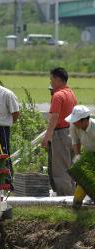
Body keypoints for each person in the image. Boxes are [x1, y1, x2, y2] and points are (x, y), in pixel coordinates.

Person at [41, 67, 77, 196]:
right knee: (71, 166)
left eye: (51, 79)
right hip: (71, 132)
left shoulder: (58, 95)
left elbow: (54, 117)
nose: (50, 82)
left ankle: (65, 199)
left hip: (60, 134)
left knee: (60, 169)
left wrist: (47, 137)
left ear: (57, 79)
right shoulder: (71, 93)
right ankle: (74, 195)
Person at [65, 105, 95, 207]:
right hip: (87, 156)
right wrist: (78, 155)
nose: (74, 123)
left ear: (84, 120)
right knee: (82, 183)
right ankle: (77, 205)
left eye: (76, 121)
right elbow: (75, 141)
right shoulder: (74, 126)